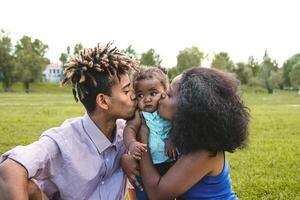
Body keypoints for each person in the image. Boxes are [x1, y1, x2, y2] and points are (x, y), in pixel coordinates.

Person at [0, 43, 138, 200]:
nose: (134, 96)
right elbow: (9, 169)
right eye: (127, 91)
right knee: (29, 188)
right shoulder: (63, 142)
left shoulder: (125, 134)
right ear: (103, 101)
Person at [121, 67, 250, 199]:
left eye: (169, 94)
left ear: (186, 108)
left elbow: (157, 195)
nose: (162, 96)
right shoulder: (185, 135)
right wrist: (128, 159)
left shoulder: (205, 152)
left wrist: (143, 137)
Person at [123, 66, 177, 200]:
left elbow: (177, 126)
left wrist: (172, 138)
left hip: (170, 163)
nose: (146, 99)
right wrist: (132, 144)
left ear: (164, 93)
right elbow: (129, 129)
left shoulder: (166, 111)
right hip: (145, 166)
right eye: (141, 95)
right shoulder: (140, 114)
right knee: (143, 194)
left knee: (168, 195)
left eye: (153, 93)